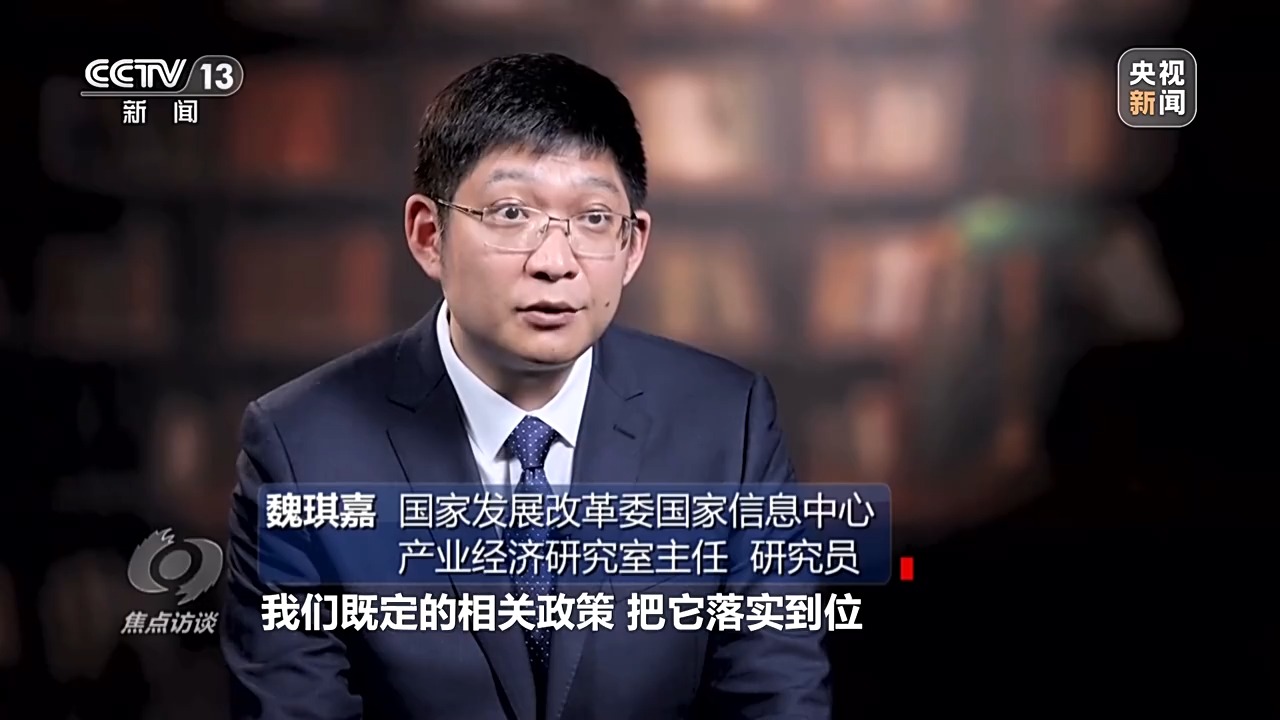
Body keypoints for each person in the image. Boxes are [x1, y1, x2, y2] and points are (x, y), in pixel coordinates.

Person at [221, 53, 830, 720]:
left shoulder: (729, 424)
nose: (555, 263)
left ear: (633, 247)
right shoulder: (301, 447)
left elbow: (778, 695)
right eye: (511, 213)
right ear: (428, 236)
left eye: (594, 218)